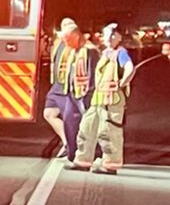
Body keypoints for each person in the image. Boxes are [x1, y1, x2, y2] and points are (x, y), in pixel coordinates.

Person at [74, 24, 135, 174]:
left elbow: (130, 68)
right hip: (98, 100)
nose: (109, 38)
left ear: (120, 37)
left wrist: (122, 83)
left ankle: (110, 165)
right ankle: (83, 160)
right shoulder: (106, 53)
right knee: (87, 128)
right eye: (106, 34)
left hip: (112, 101)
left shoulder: (120, 53)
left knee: (109, 133)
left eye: (113, 35)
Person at [41, 18, 91, 162]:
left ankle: (73, 147)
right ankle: (67, 142)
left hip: (69, 87)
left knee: (73, 119)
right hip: (58, 84)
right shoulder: (58, 43)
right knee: (49, 113)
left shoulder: (81, 46)